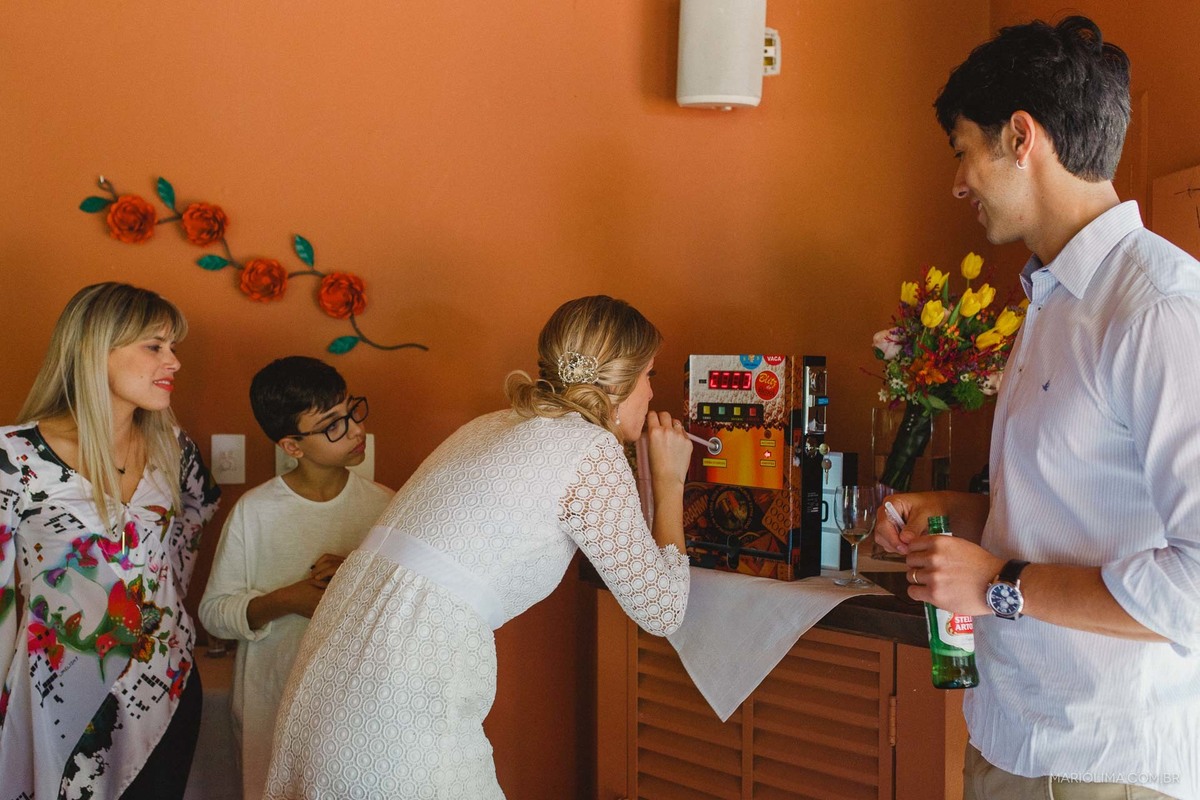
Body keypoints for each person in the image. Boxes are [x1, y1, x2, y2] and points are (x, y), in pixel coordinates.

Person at [875, 16, 1200, 800]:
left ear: (1022, 137)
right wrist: (952, 512)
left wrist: (995, 583)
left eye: (962, 150)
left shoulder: (1156, 307)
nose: (957, 182)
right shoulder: (1052, 299)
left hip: (1100, 764)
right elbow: (1076, 505)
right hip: (1012, 741)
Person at [264, 295, 693, 799]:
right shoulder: (589, 448)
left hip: (331, 661)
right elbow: (662, 609)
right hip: (402, 682)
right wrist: (670, 482)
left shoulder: (493, 423)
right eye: (650, 375)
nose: (650, 392)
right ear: (620, 381)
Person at [0, 282, 221, 799]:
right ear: (94, 350)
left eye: (174, 347)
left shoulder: (171, 445)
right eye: (154, 345)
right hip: (61, 703)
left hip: (165, 686)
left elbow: (198, 510)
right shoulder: (13, 457)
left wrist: (164, 599)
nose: (174, 362)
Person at [198, 356, 393, 800]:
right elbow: (213, 614)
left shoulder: (385, 506)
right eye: (332, 425)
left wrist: (355, 571)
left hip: (357, 708)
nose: (355, 429)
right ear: (292, 446)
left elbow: (405, 604)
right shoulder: (254, 511)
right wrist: (288, 600)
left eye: (351, 411)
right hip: (272, 705)